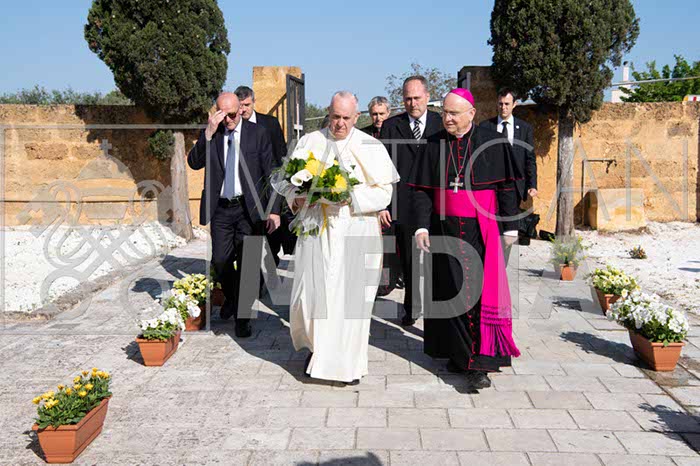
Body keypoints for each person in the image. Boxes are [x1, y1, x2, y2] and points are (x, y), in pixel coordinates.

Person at [409, 88, 521, 389]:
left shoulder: (492, 142)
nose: (447, 118)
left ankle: (476, 364)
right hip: (442, 228)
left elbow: (507, 186)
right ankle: (458, 354)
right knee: (449, 292)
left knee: (473, 293)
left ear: (471, 113)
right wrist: (421, 227)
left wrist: (510, 226)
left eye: (454, 113)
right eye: (445, 112)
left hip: (479, 229)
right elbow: (422, 190)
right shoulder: (433, 143)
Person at [286, 91, 399, 384]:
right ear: (328, 112)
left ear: (357, 117)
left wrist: (350, 197)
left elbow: (384, 193)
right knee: (312, 297)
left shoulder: (371, 146)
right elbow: (290, 185)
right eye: (335, 116)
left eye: (346, 118)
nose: (340, 123)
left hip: (356, 230)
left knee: (351, 302)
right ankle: (318, 351)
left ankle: (347, 365)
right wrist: (297, 199)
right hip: (317, 232)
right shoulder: (309, 142)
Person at [187, 92, 281, 338]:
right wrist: (208, 133)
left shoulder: (258, 134)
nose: (228, 120)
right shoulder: (213, 133)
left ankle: (243, 319)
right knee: (220, 261)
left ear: (240, 109)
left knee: (249, 264)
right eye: (223, 115)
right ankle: (233, 298)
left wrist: (274, 209)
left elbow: (271, 173)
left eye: (231, 114)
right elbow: (194, 163)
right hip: (220, 208)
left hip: (250, 210)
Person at [378, 76, 443, 326]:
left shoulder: (440, 123)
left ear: (427, 97)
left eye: (417, 98)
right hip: (403, 203)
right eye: (407, 98)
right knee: (409, 260)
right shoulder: (391, 127)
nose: (412, 103)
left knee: (437, 259)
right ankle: (412, 307)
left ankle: (438, 310)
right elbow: (382, 169)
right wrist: (384, 205)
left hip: (435, 203)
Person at [234, 86, 296, 264]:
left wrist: (281, 187)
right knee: (248, 238)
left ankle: (271, 263)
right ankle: (250, 271)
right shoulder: (232, 126)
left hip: (268, 188)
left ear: (254, 102)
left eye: (246, 105)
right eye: (240, 106)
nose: (243, 110)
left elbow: (281, 156)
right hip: (244, 191)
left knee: (271, 234)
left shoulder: (270, 124)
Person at [480, 88, 538, 258]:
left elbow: (529, 158)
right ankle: (489, 257)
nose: (503, 107)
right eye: (500, 104)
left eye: (507, 104)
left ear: (514, 104)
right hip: (491, 186)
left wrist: (532, 184)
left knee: (510, 228)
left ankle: (502, 262)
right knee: (492, 224)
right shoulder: (485, 127)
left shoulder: (524, 128)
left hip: (514, 186)